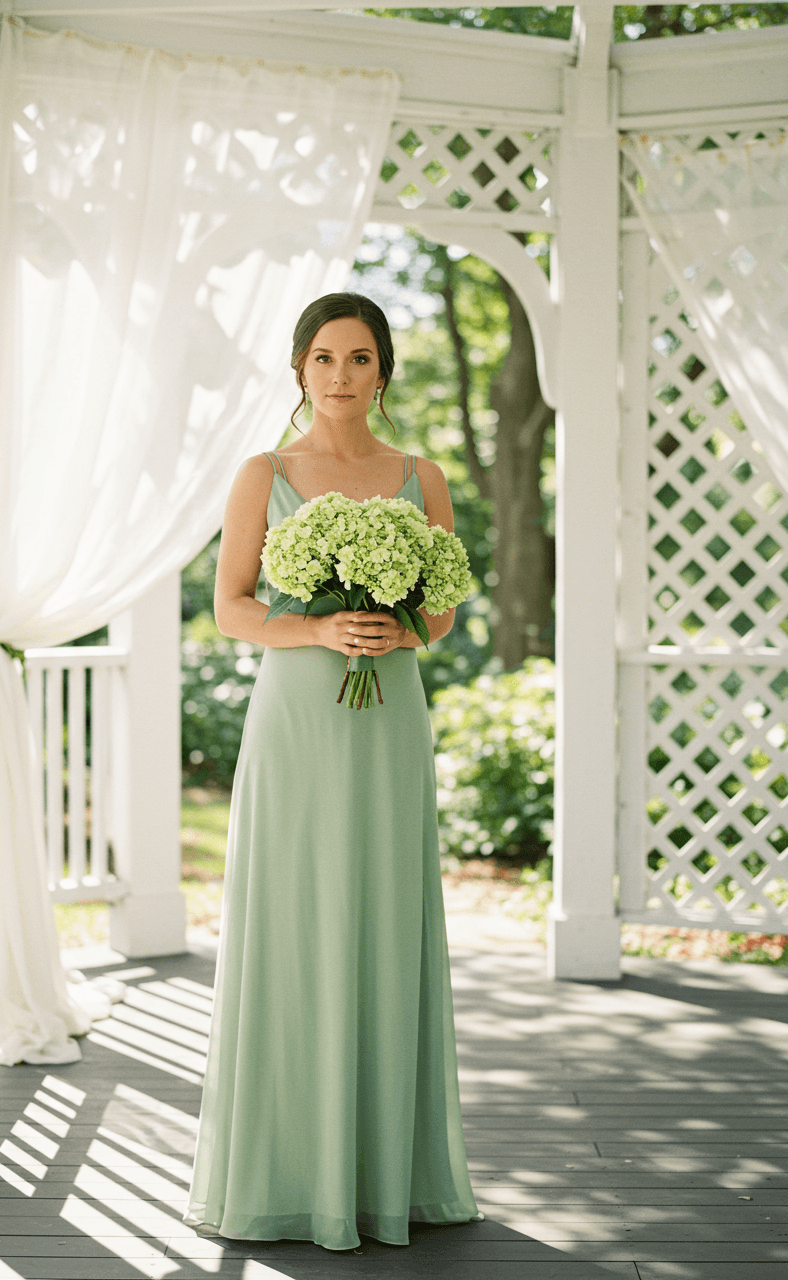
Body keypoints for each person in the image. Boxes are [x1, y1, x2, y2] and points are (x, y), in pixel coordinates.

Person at [184, 292, 482, 1252]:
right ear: (300, 369)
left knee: (385, 919)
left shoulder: (419, 477)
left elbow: (443, 613)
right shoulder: (263, 473)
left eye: (360, 357)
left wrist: (404, 623)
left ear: (383, 371)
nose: (342, 374)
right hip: (297, 722)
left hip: (390, 716)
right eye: (324, 357)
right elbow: (231, 606)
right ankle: (284, 1172)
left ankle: (385, 1177)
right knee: (295, 919)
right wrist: (315, 624)